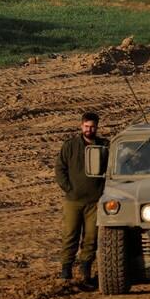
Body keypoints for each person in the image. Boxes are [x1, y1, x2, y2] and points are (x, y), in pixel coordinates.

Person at [55, 112, 107, 288]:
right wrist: (69, 188)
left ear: (97, 127)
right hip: (73, 201)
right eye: (86, 126)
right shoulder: (70, 146)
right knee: (70, 235)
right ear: (81, 126)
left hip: (95, 202)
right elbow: (60, 169)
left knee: (91, 238)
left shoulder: (104, 147)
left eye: (92, 127)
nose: (89, 129)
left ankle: (85, 271)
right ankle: (66, 270)